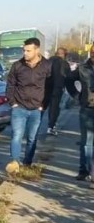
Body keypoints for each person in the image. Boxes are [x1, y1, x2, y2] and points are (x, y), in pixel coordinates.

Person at [5, 37, 51, 174]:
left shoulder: (47, 66)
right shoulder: (17, 66)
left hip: (37, 109)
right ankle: (15, 162)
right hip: (19, 107)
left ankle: (27, 163)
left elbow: (50, 87)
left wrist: (43, 105)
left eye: (28, 51)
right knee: (16, 136)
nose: (25, 53)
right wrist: (12, 102)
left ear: (37, 50)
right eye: (24, 50)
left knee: (32, 138)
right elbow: (10, 85)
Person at [65, 44, 94, 181]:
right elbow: (68, 80)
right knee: (87, 142)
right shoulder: (82, 68)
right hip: (87, 108)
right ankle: (84, 170)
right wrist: (77, 96)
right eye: (92, 52)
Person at [44, 47, 71, 135]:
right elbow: (68, 77)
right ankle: (51, 126)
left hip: (46, 88)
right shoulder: (64, 63)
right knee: (54, 108)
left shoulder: (48, 61)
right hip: (58, 89)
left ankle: (34, 127)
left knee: (42, 107)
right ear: (64, 55)